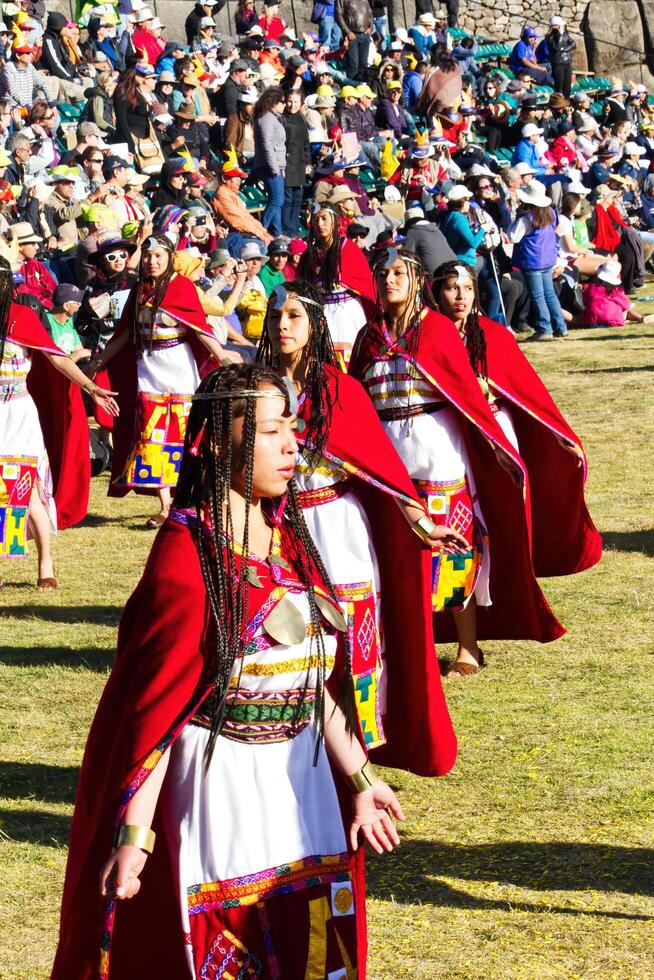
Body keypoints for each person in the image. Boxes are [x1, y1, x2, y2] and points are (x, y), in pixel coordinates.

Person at [51, 363, 406, 979]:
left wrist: (359, 778)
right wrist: (134, 839)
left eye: (292, 428)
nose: (293, 444)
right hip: (222, 792)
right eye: (271, 432)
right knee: (229, 949)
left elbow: (310, 680)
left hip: (308, 785)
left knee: (323, 952)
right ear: (218, 441)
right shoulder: (186, 559)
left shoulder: (289, 541)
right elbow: (158, 719)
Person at [257, 280, 460, 763]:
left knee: (350, 636)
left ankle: (355, 754)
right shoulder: (258, 388)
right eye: (275, 316)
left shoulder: (338, 388)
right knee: (286, 634)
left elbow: (383, 468)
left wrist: (423, 524)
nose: (282, 326)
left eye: (294, 317)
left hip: (338, 526)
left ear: (314, 324)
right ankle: (295, 742)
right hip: (280, 529)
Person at [349, 248, 565, 675]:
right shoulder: (368, 336)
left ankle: (469, 645)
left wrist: (500, 451)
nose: (388, 280)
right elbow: (357, 398)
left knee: (452, 553)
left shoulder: (437, 332)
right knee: (394, 553)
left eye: (398, 273)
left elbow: (466, 397)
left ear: (416, 281)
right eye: (383, 273)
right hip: (389, 456)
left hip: (438, 453)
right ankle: (417, 646)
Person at [431, 259, 602, 582]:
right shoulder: (428, 338)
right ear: (437, 292)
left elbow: (530, 392)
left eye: (468, 288)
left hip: (497, 430)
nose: (460, 296)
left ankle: (512, 567)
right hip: (449, 434)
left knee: (505, 499)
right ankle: (467, 575)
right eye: (452, 288)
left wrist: (561, 437)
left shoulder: (492, 335)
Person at [86, 235, 225, 528]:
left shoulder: (181, 287)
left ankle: (195, 498)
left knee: (187, 436)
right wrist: (101, 359)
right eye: (148, 257)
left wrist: (221, 355)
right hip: (149, 370)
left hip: (181, 370)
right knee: (152, 438)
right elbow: (125, 332)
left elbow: (198, 327)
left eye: (159, 256)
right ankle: (166, 506)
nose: (152, 262)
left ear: (170, 257)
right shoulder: (139, 289)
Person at [0, 257, 117, 587]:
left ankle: (45, 563)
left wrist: (91, 386)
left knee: (26, 487)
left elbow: (57, 358)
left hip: (17, 413)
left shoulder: (20, 318)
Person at [299, 201, 375, 370]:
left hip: (347, 313)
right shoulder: (308, 255)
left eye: (325, 219)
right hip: (321, 313)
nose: (320, 224)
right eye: (316, 220)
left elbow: (365, 284)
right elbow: (301, 288)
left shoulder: (348, 249)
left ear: (335, 220)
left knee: (352, 364)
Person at [509, 179, 569, 340]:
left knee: (538, 295)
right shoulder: (551, 212)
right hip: (548, 259)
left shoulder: (526, 218)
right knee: (549, 294)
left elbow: (513, 237)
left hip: (532, 261)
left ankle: (545, 328)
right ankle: (560, 326)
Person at [252, 86, 286, 237]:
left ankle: (276, 232)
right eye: (282, 101)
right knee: (277, 200)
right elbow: (267, 144)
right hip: (270, 165)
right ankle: (260, 230)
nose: (285, 105)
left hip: (275, 164)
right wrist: (274, 167)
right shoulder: (266, 118)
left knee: (277, 201)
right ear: (274, 102)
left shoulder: (271, 117)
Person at [281, 89, 310, 237]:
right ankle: (288, 230)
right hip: (287, 164)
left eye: (296, 102)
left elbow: (306, 143)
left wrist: (308, 164)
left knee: (298, 199)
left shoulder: (302, 119)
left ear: (301, 103)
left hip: (300, 164)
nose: (292, 105)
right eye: (290, 101)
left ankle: (294, 228)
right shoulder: (282, 119)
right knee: (288, 200)